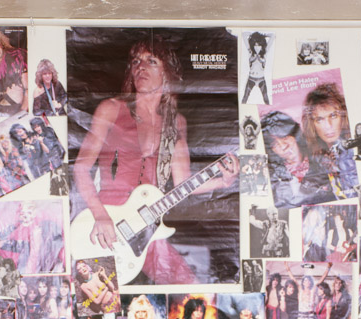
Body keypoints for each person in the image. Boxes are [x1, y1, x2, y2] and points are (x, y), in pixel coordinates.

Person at [72, 34, 238, 285]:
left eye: (152, 61)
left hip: (147, 224)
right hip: (106, 221)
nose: (140, 66)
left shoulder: (176, 122)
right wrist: (100, 215)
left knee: (187, 287)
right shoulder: (111, 108)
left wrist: (223, 183)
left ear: (167, 73)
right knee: (97, 305)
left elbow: (183, 183)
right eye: (136, 61)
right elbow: (81, 168)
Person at [259, 111, 334, 207]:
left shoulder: (325, 161)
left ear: (294, 134)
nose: (283, 146)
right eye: (274, 144)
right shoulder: (272, 177)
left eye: (284, 137)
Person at [301, 82, 359, 198]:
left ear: (343, 117)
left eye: (333, 116)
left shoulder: (355, 149)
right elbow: (305, 191)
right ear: (312, 125)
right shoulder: (318, 157)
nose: (328, 125)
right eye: (320, 119)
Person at [242, 31, 270, 104]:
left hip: (261, 79)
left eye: (259, 45)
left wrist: (263, 35)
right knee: (245, 98)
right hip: (251, 78)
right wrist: (253, 35)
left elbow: (273, 36)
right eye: (255, 45)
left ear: (262, 45)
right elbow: (244, 35)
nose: (257, 47)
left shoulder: (264, 53)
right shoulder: (250, 52)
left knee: (266, 99)